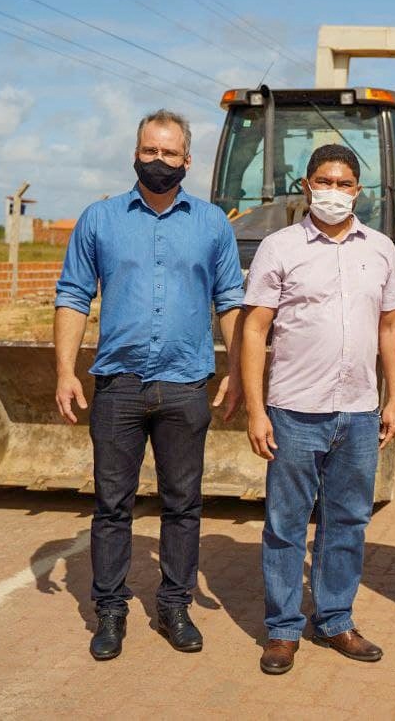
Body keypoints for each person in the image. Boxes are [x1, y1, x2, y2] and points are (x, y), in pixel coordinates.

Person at [53, 108, 245, 661]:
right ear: (135, 154)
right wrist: (65, 371)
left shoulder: (212, 224)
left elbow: (230, 302)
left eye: (169, 153)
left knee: (183, 503)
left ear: (188, 160)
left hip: (186, 384)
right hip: (118, 386)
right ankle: (109, 612)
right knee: (112, 504)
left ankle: (174, 606)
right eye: (149, 151)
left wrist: (237, 371)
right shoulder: (101, 219)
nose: (158, 161)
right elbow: (72, 295)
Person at [240, 144, 395, 676]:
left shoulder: (380, 248)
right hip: (293, 410)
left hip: (358, 411)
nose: (334, 191)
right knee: (286, 523)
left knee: (347, 522)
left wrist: (394, 399)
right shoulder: (279, 247)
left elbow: (390, 328)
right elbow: (255, 328)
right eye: (324, 181)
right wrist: (255, 410)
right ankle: (283, 628)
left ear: (358, 190)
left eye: (344, 183)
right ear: (307, 185)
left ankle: (335, 619)